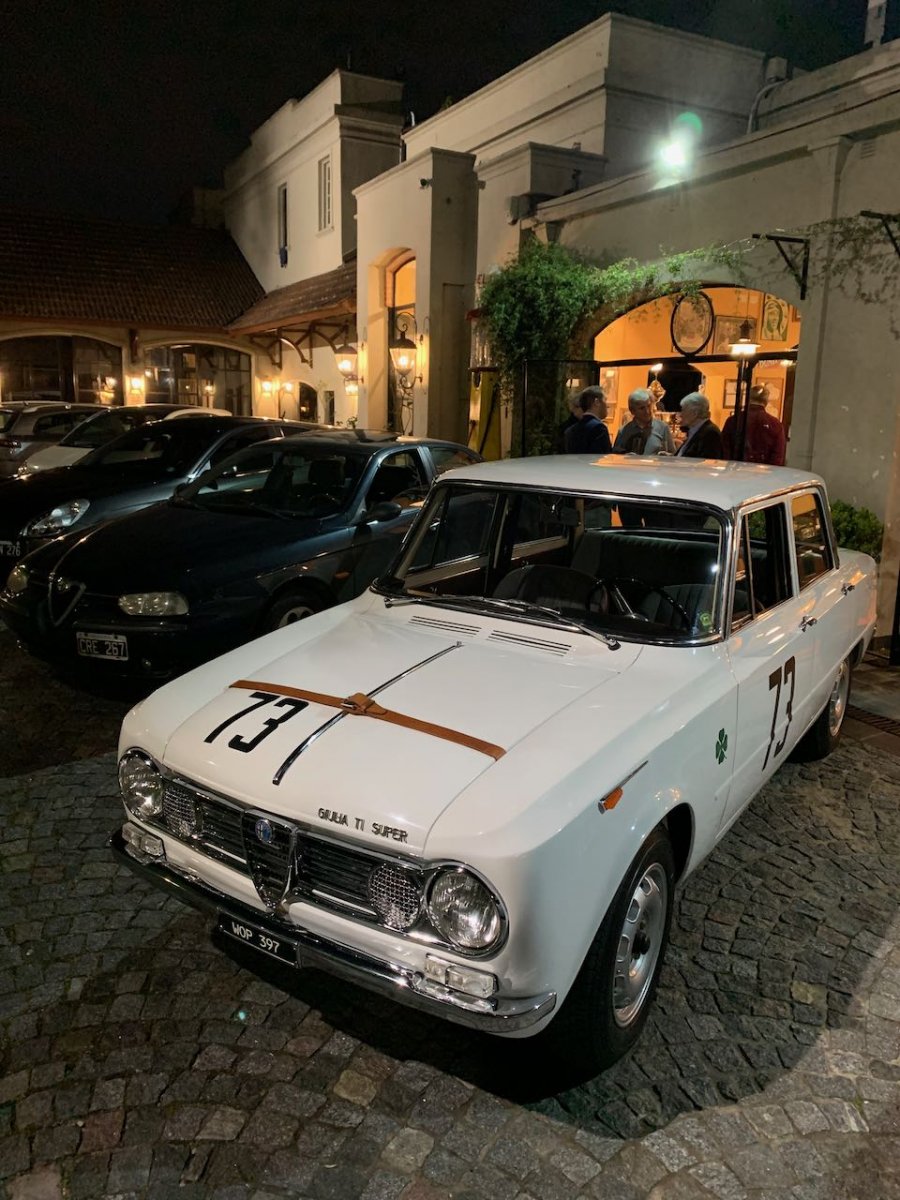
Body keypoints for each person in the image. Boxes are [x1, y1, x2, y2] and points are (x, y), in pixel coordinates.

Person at [722, 384, 787, 465]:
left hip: (736, 469)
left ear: (748, 399)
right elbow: (778, 457)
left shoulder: (733, 420)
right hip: (764, 471)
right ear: (766, 402)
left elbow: (725, 449)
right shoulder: (775, 424)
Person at [613, 388, 675, 455]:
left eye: (649, 406)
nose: (647, 411)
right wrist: (626, 457)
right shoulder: (623, 431)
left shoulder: (663, 428)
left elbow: (673, 455)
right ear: (632, 411)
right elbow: (615, 456)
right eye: (642, 408)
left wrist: (666, 456)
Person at [564, 386, 612, 454]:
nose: (608, 405)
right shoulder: (599, 428)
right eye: (605, 400)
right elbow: (602, 457)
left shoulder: (570, 431)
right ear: (597, 402)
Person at [675, 392, 724, 458]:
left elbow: (706, 462)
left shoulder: (710, 433)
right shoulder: (696, 430)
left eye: (683, 410)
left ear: (695, 413)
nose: (681, 414)